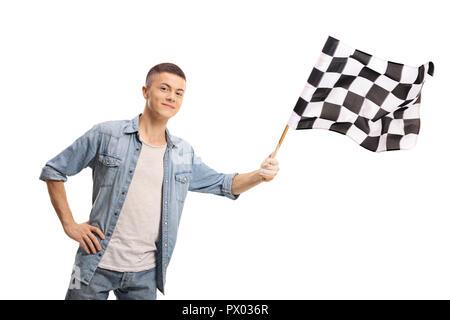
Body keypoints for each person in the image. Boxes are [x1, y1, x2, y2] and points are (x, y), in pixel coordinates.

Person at [39, 62, 280, 300]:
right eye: (164, 88)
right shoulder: (106, 134)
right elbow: (54, 170)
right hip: (92, 264)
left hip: (145, 273)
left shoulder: (182, 153)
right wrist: (69, 224)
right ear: (145, 91)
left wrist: (259, 175)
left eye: (179, 93)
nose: (172, 97)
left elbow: (223, 184)